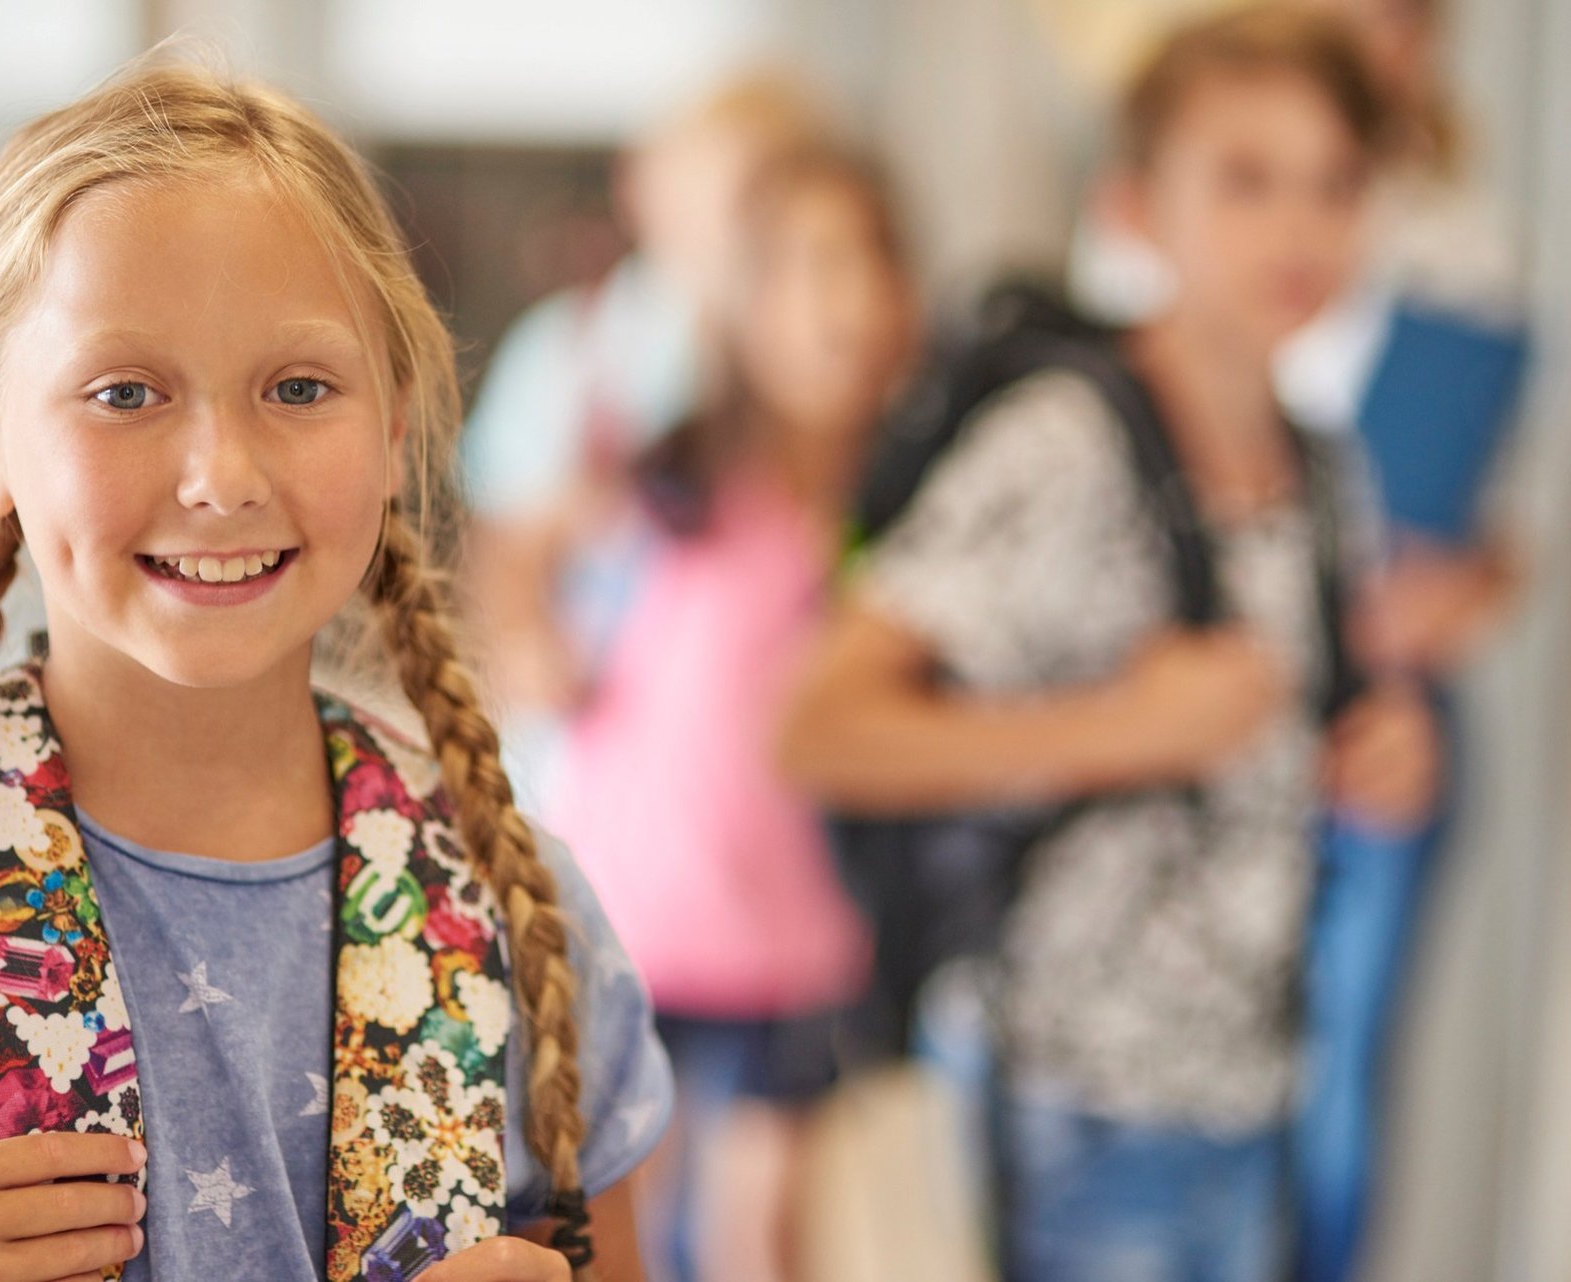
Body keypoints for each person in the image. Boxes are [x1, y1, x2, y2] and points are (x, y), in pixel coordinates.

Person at [0, 54, 670, 1282]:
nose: (221, 474)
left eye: (300, 387)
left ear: (394, 427)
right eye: (126, 392)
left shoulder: (523, 911)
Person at [777, 9, 1439, 1280]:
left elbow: (1318, 723)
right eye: (1245, 180)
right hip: (1064, 1100)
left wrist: (1386, 746)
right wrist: (1123, 728)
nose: (1298, 227)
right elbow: (817, 727)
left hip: (1255, 1090)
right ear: (1138, 206)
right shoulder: (1062, 446)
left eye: (1335, 185)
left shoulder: (1325, 467)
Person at [545, 144, 918, 1282]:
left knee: (761, 1237)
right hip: (634, 927)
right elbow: (529, 566)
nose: (838, 304)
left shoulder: (905, 504)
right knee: (622, 1230)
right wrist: (535, 638)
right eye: (804, 268)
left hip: (798, 944)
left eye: (865, 265)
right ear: (740, 304)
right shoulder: (675, 479)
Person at [1280, 3, 1529, 1277]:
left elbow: (1482, 537)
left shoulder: (1458, 243)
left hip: (1387, 717)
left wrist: (1470, 581)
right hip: (1224, 712)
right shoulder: (1195, 193)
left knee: (1337, 1095)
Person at [460, 71, 827, 813]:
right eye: (716, 198)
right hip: (594, 755)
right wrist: (526, 636)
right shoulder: (575, 353)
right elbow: (504, 540)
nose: (729, 229)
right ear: (646, 193)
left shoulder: (807, 362)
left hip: (759, 753)